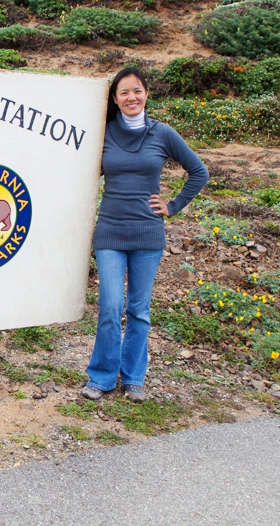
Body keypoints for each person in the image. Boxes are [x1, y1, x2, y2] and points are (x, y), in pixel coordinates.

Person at [83, 67, 208, 403]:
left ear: (147, 94)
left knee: (139, 309)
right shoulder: (103, 133)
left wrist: (174, 204)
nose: (131, 97)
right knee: (110, 306)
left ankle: (134, 378)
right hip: (110, 231)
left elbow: (199, 171)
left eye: (136, 90)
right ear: (114, 99)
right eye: (123, 93)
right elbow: (81, 173)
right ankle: (102, 377)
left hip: (148, 235)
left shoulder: (162, 133)